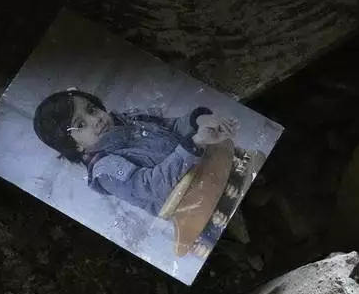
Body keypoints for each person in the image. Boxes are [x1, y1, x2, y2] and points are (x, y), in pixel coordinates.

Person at [33, 89, 250, 255]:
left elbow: (172, 125)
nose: (95, 119)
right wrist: (193, 145)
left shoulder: (128, 120)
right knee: (228, 234)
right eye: (80, 124)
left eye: (91, 110)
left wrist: (198, 120)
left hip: (205, 169)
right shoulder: (106, 168)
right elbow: (152, 187)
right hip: (190, 204)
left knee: (239, 166)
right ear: (75, 146)